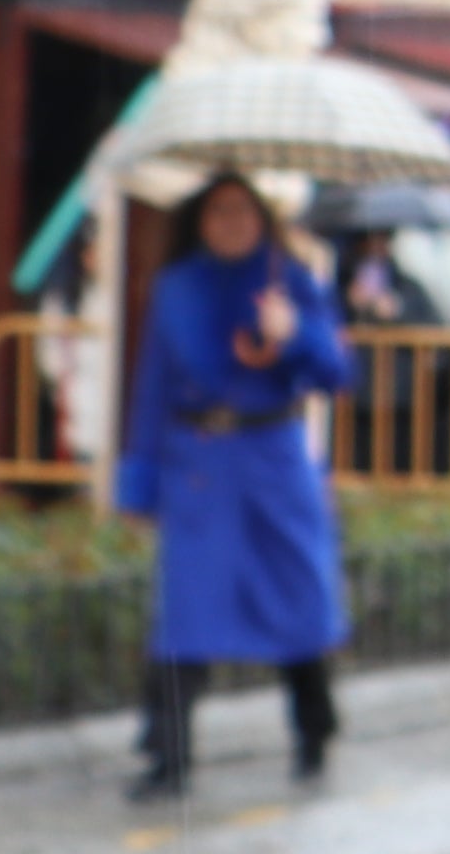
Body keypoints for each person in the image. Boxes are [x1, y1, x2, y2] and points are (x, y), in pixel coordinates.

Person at [116, 172, 356, 801]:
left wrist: (293, 333)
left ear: (262, 219)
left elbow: (336, 372)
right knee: (185, 614)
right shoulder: (176, 289)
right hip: (197, 465)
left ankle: (314, 730)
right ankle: (168, 755)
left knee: (296, 602)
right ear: (200, 219)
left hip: (272, 461)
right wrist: (138, 484)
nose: (231, 223)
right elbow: (151, 390)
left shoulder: (293, 282)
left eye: (243, 212)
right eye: (218, 211)